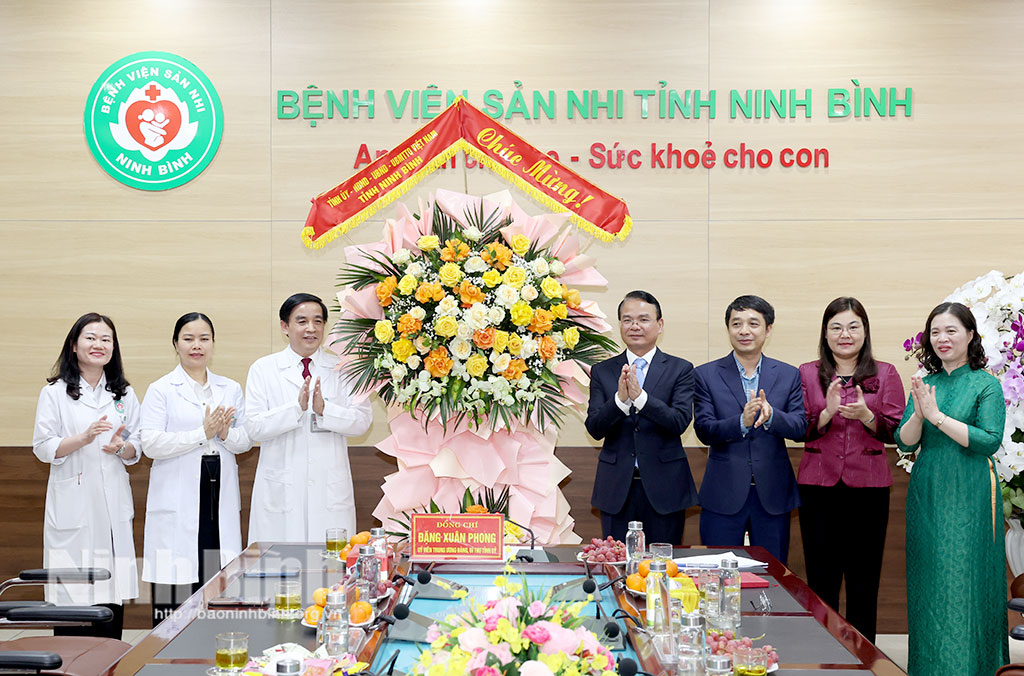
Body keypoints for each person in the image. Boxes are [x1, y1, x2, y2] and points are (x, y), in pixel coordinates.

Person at [895, 302, 1008, 675]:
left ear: (970, 335)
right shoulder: (925, 383)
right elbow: (905, 442)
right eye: (935, 332)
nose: (942, 338)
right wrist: (919, 413)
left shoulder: (985, 384)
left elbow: (989, 440)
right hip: (928, 491)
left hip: (969, 491)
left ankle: (971, 667)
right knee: (929, 581)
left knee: (964, 578)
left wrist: (938, 416)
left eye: (951, 330)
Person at [797, 297, 905, 643]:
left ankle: (864, 657)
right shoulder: (806, 372)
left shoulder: (885, 372)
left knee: (864, 581)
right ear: (825, 333)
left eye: (853, 326)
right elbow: (798, 427)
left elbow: (897, 431)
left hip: (869, 489)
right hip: (818, 486)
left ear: (865, 332)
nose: (845, 334)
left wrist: (867, 416)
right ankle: (823, 653)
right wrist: (826, 414)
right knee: (821, 580)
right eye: (836, 327)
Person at [32, 313, 141, 639]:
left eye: (106, 339)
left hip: (111, 505)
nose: (99, 345)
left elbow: (136, 442)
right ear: (74, 345)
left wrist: (122, 447)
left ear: (113, 348)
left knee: (110, 594)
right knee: (72, 595)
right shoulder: (54, 393)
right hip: (74, 505)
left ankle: (109, 660)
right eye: (91, 338)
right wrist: (83, 438)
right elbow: (43, 446)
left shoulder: (123, 393)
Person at [140, 312, 252, 626]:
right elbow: (150, 443)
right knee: (174, 596)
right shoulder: (161, 389)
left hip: (217, 495)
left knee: (216, 583)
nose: (196, 345)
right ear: (175, 344)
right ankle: (167, 651)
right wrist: (202, 433)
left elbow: (245, 440)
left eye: (204, 338)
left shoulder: (229, 388)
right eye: (188, 339)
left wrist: (224, 433)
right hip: (178, 495)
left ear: (213, 344)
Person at [244, 293, 373, 543]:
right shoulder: (263, 369)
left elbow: (362, 421)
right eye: (302, 321)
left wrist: (326, 411)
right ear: (285, 326)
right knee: (279, 562)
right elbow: (253, 427)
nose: (311, 328)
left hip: (329, 492)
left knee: (330, 563)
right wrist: (295, 409)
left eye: (318, 321)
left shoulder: (343, 368)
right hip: (281, 492)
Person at [694, 295, 805, 564]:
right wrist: (740, 422)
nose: (744, 330)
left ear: (768, 329)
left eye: (753, 323)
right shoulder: (705, 374)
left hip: (773, 494)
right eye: (737, 324)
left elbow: (800, 427)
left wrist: (772, 416)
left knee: (773, 573)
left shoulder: (789, 374)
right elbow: (704, 429)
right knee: (717, 572)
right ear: (728, 329)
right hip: (723, 494)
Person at [585, 290, 696, 545]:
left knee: (663, 561)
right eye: (627, 320)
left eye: (643, 319)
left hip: (665, 487)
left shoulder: (681, 369)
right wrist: (620, 401)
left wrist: (641, 398)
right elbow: (595, 428)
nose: (635, 326)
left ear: (660, 324)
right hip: (616, 488)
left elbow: (679, 421)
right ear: (620, 325)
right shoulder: (602, 371)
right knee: (617, 560)